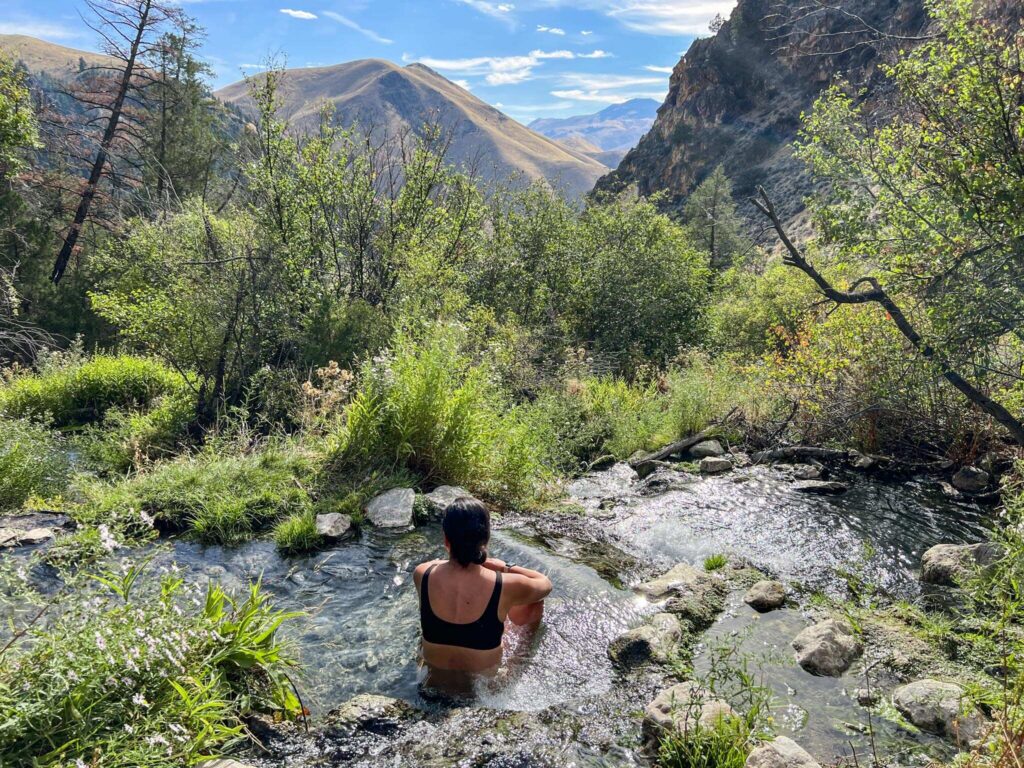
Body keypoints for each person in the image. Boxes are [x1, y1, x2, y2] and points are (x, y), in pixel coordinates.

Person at [413, 497, 552, 674]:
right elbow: (545, 584)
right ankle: (516, 668)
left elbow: (439, 564)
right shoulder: (505, 585)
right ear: (485, 539)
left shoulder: (422, 574)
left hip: (431, 681)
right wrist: (503, 566)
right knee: (535, 603)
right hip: (482, 689)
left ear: (446, 540)